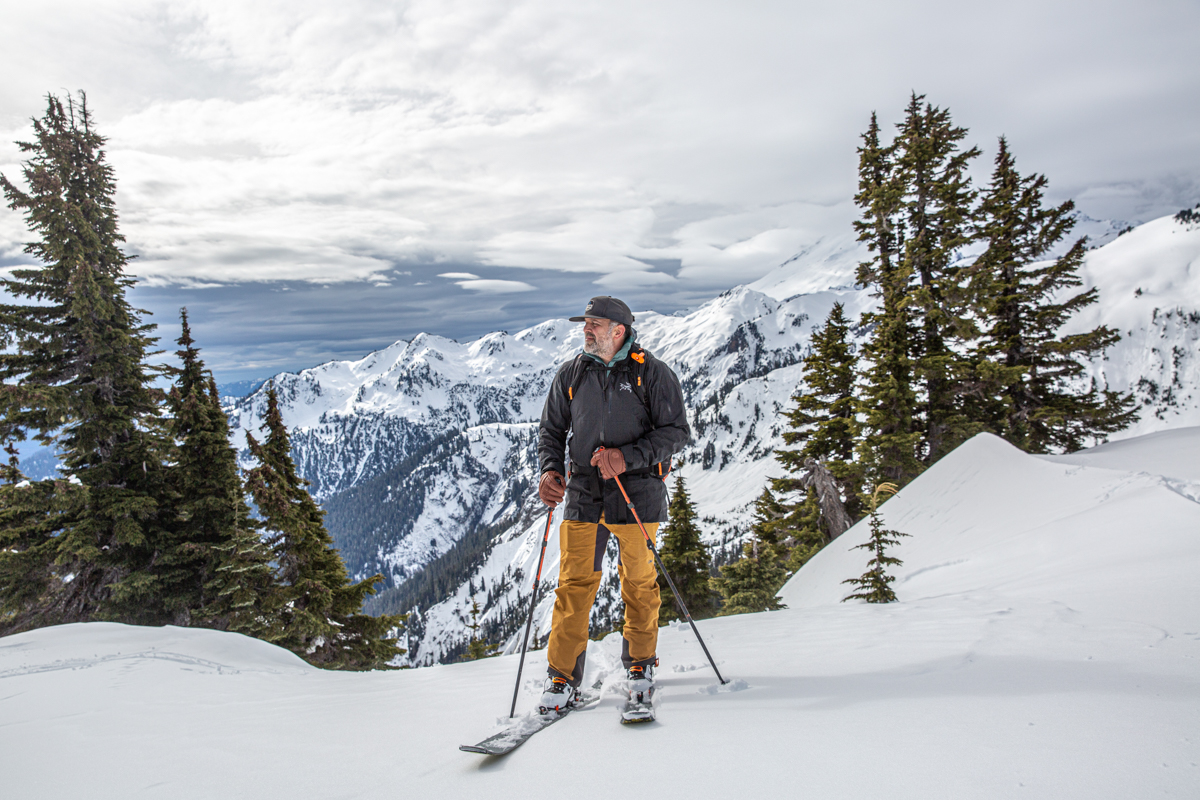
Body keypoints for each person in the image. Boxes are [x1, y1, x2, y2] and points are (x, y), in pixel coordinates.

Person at [536, 295, 690, 716]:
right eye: (585, 324)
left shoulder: (652, 374)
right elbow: (551, 430)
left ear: (618, 331)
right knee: (573, 587)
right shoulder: (572, 373)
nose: (586, 330)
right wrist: (550, 472)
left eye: (595, 325)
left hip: (637, 493)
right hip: (584, 495)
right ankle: (561, 678)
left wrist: (628, 457)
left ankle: (639, 666)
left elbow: (677, 432)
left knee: (639, 583)